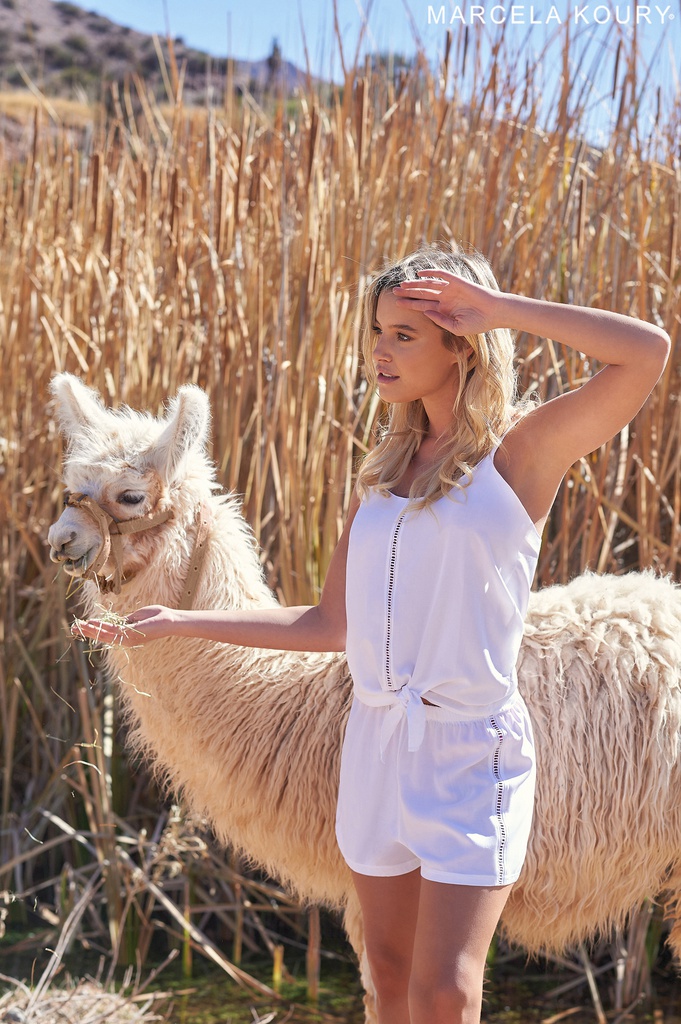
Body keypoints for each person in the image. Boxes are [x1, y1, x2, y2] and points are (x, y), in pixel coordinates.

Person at [73, 243, 670, 1024]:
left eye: (403, 335)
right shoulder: (381, 482)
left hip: (468, 750)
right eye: (376, 334)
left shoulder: (516, 460)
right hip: (376, 745)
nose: (378, 353)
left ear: (460, 342)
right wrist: (179, 622)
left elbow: (644, 354)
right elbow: (331, 626)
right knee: (387, 977)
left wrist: (499, 309)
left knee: (445, 988)